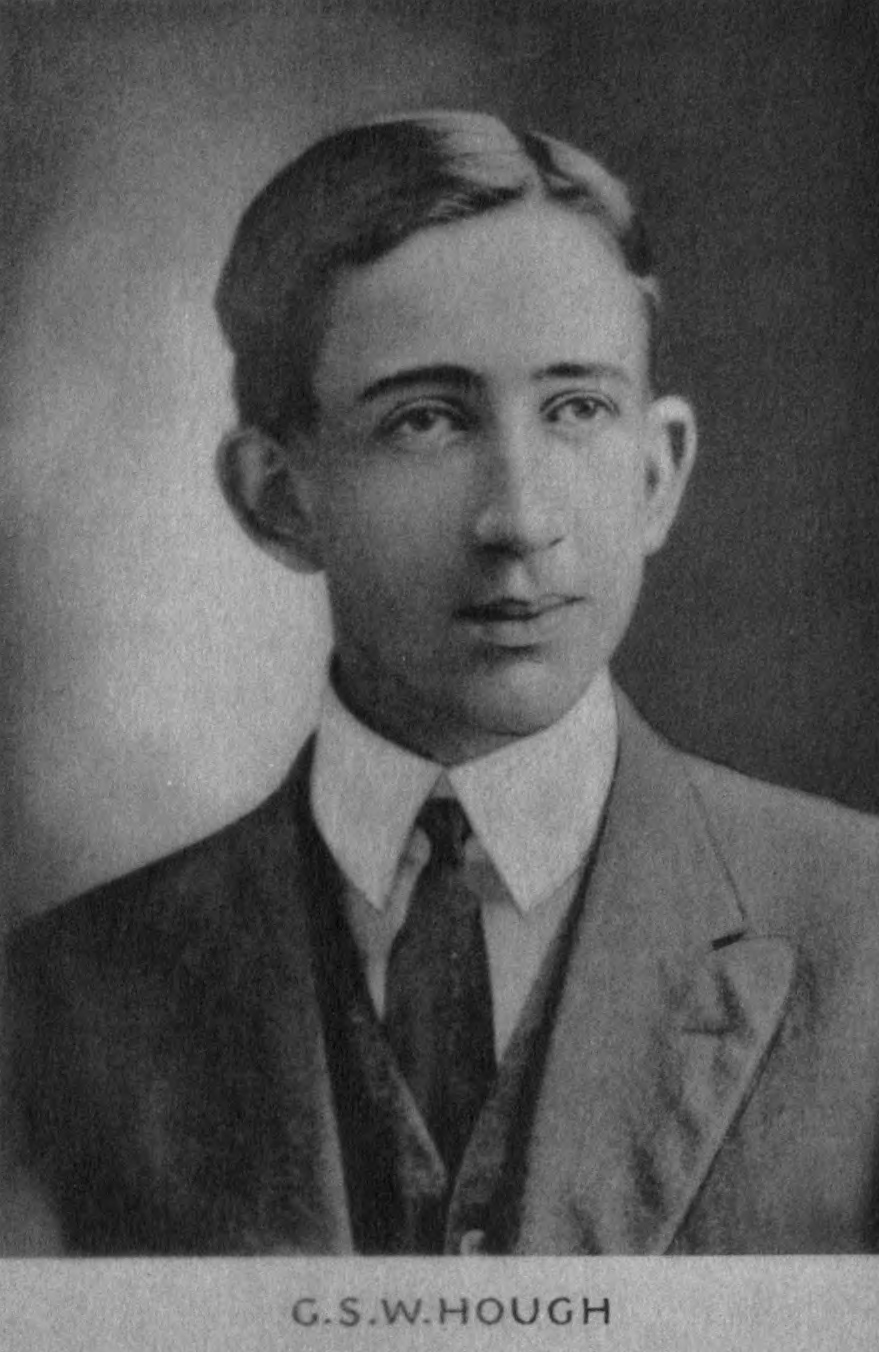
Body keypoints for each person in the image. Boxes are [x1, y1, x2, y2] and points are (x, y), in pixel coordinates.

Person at [7, 110, 879, 1257]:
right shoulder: (56, 1002)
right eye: (426, 419)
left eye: (577, 408)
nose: (518, 516)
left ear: (658, 473)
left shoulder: (861, 928)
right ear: (277, 496)